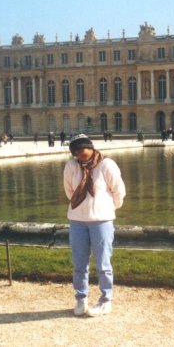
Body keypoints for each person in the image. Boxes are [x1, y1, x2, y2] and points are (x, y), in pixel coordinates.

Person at [63, 134, 126, 317]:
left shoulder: (107, 165)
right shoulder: (71, 166)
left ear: (90, 148)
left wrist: (105, 209)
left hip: (101, 220)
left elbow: (119, 192)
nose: (80, 154)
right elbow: (69, 191)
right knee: (79, 263)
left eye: (82, 150)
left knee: (103, 263)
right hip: (77, 220)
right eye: (76, 152)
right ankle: (81, 299)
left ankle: (106, 300)